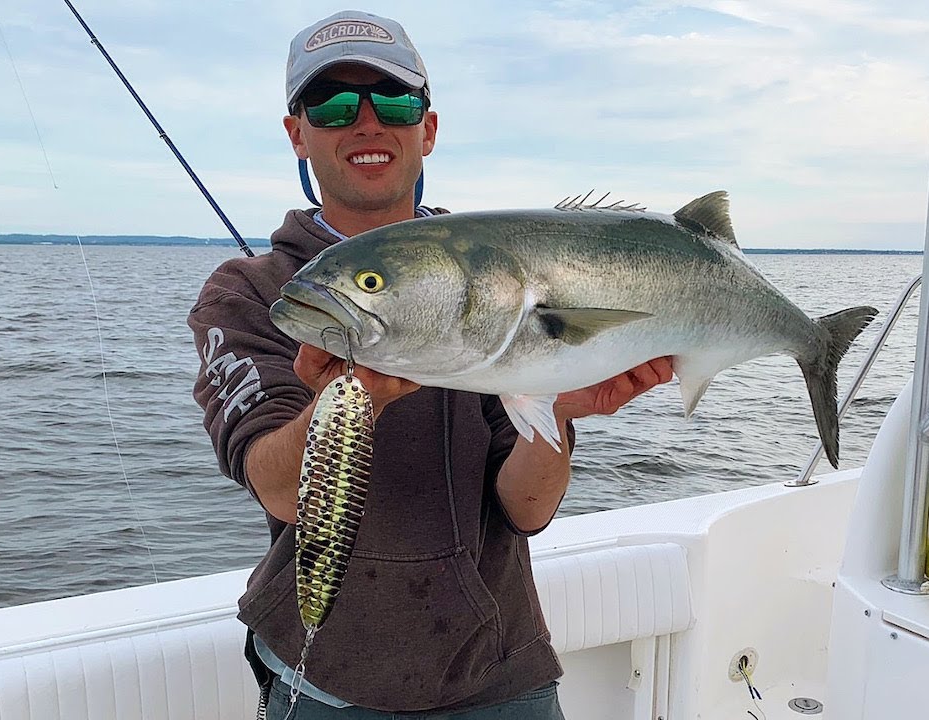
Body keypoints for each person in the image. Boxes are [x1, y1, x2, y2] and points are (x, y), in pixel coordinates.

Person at [188, 10, 674, 719]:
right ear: (297, 133)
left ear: (428, 127)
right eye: (330, 104)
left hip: (502, 670)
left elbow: (526, 507)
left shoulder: (494, 281)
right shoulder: (251, 295)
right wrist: (350, 397)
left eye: (393, 100)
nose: (366, 122)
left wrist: (556, 407)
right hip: (326, 677)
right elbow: (280, 490)